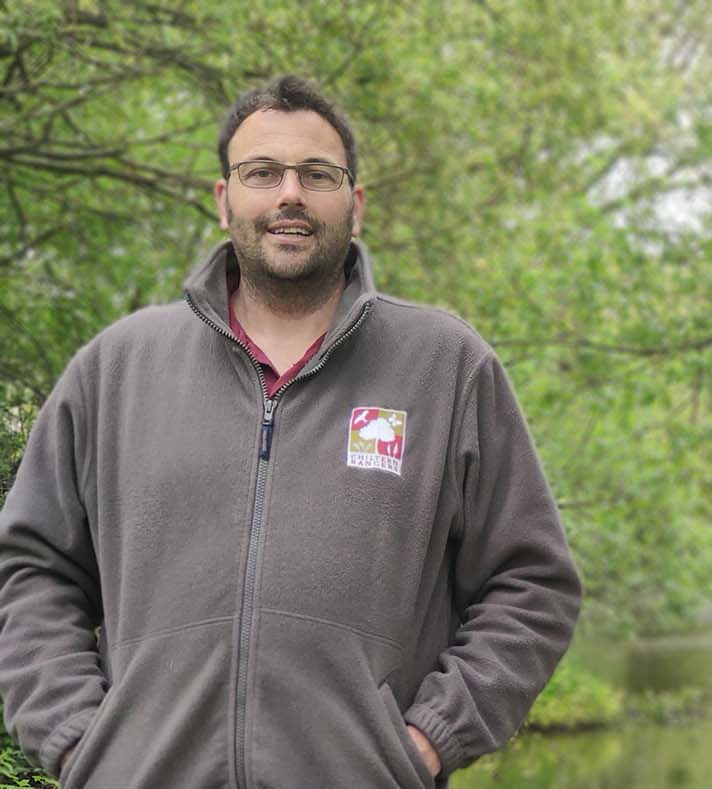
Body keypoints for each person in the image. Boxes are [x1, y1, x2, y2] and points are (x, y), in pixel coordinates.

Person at [0, 75, 582, 788]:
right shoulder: (115, 369)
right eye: (262, 173)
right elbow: (31, 570)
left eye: (318, 174)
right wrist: (78, 740)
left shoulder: (447, 366)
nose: (290, 194)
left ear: (355, 204)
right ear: (224, 200)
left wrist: (427, 739)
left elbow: (533, 583)